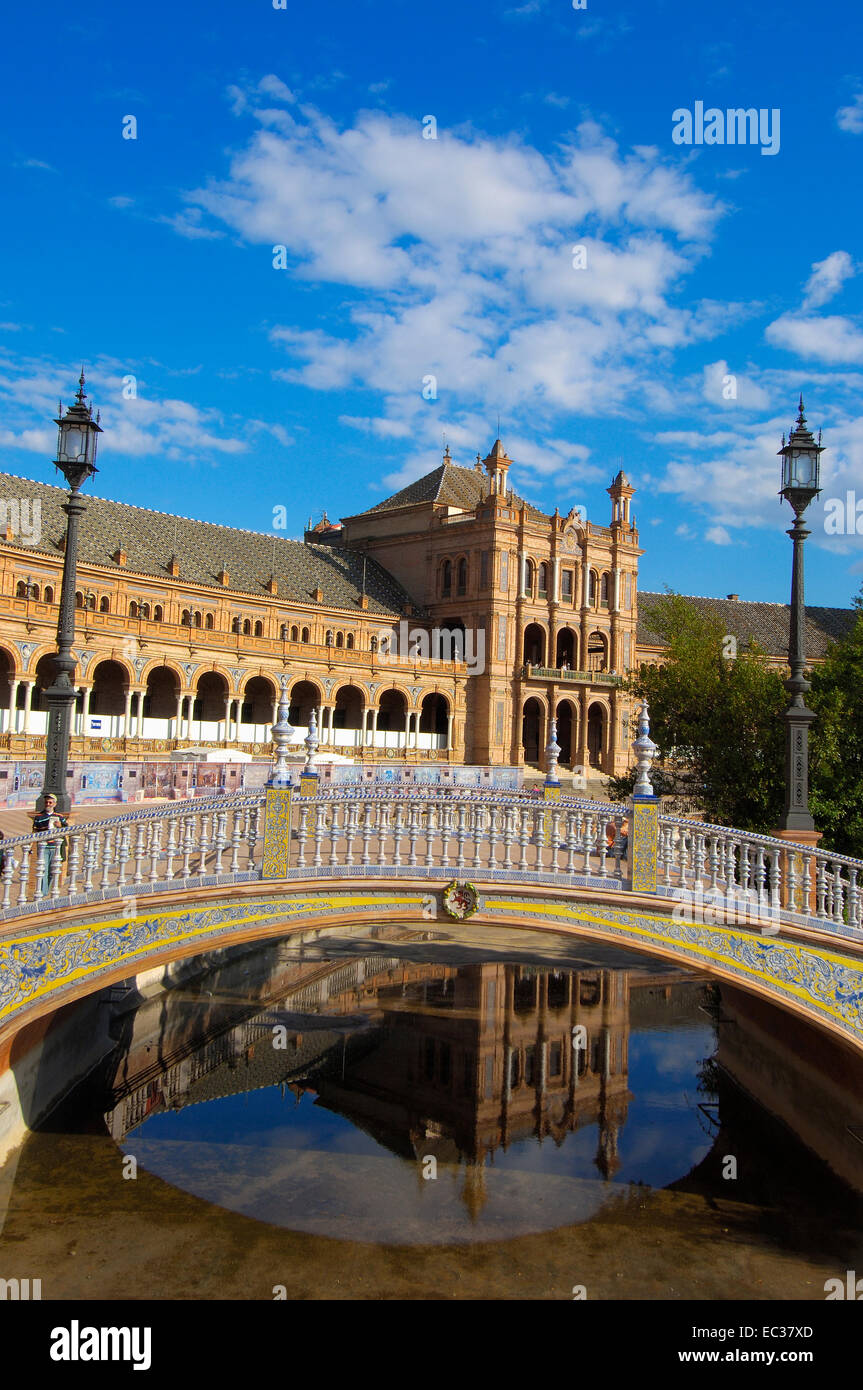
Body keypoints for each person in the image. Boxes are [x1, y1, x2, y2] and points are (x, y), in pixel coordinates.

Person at [33, 793, 68, 896]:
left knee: (53, 871)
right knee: (43, 870)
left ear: (54, 804)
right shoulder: (39, 817)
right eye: (46, 802)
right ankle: (43, 893)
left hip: (55, 848)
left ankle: (46, 890)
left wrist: (60, 825)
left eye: (50, 802)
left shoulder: (60, 817)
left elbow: (67, 829)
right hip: (44, 847)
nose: (48, 804)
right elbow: (35, 831)